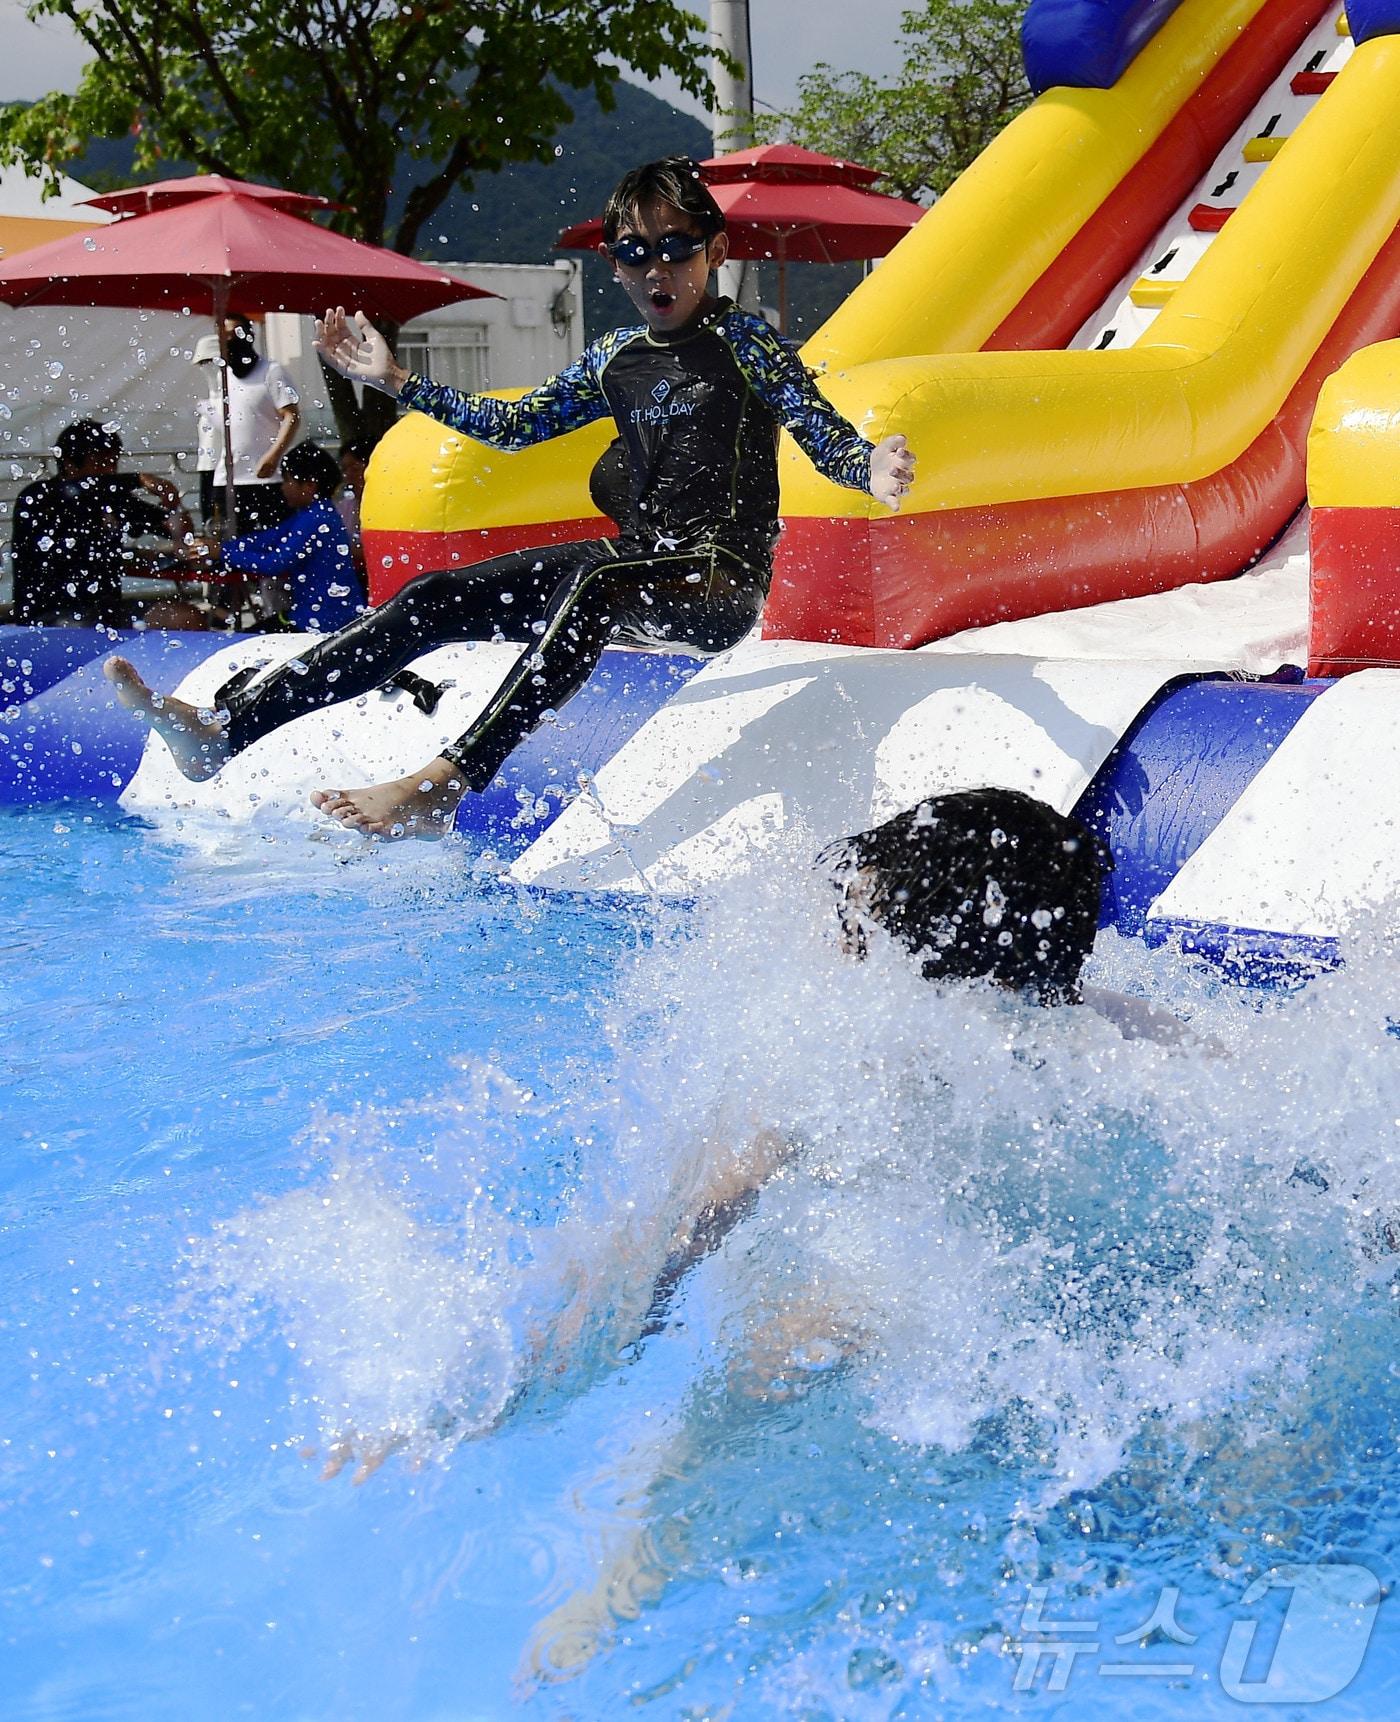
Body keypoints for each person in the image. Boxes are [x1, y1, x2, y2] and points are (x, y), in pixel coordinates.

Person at [102, 156, 916, 836]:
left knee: (595, 580)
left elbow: (817, 427)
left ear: (715, 248)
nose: (657, 269)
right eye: (635, 252)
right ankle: (223, 734)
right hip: (633, 565)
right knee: (433, 595)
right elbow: (515, 423)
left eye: (677, 247)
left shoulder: (744, 343)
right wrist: (395, 380)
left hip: (717, 579)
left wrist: (868, 467)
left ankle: (445, 784)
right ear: (613, 262)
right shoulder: (614, 356)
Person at [10, 419, 205, 630]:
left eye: (113, 461)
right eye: (101, 461)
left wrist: (174, 506)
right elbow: (78, 493)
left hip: (107, 610)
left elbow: (171, 526)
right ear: (69, 463)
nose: (110, 469)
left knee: (186, 617)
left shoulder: (113, 499)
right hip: (51, 615)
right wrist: (138, 480)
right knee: (81, 627)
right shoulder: (39, 496)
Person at [214, 441, 367, 634]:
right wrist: (224, 547)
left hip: (324, 623)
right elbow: (268, 538)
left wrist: (222, 552)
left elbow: (275, 563)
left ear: (310, 485)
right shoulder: (313, 513)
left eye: (287, 480)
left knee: (244, 641)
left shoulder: (317, 518)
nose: (283, 488)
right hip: (315, 617)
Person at [209, 316, 300, 532]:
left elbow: (291, 415)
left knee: (271, 542)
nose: (228, 341)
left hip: (266, 479)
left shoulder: (271, 371)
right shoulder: (223, 375)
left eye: (234, 334)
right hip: (228, 478)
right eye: (223, 336)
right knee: (230, 544)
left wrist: (273, 456)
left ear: (248, 335)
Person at [334, 434, 374, 580]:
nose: (348, 475)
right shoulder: (344, 506)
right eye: (345, 469)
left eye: (355, 469)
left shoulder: (388, 506)